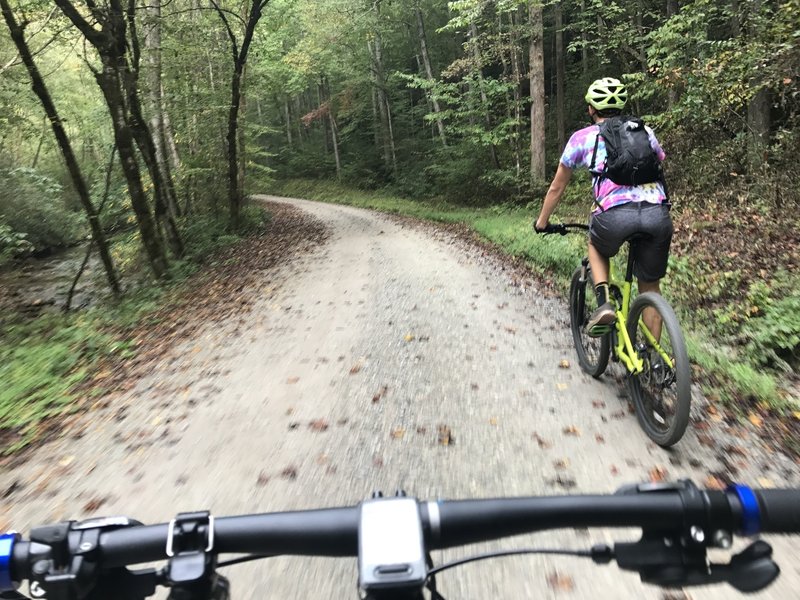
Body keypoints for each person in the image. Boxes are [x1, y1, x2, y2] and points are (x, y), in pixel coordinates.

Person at [534, 77, 673, 338]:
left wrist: (542, 221)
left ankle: (604, 304)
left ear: (590, 109)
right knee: (651, 288)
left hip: (614, 216)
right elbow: (659, 161)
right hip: (657, 214)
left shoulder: (582, 138)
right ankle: (652, 364)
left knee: (596, 244)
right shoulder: (643, 131)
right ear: (621, 106)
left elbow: (557, 187)